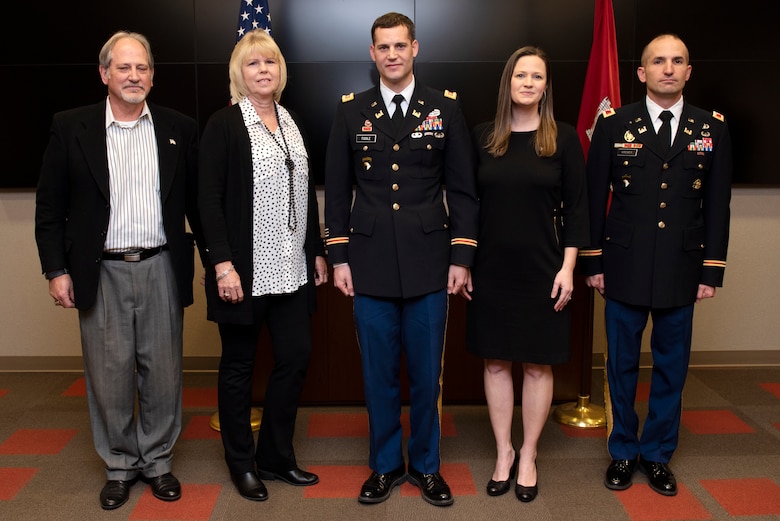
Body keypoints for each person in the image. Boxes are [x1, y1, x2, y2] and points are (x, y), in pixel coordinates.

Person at [34, 31, 200, 509]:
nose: (134, 76)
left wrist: (218, 262)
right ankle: (120, 465)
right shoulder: (71, 127)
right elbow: (51, 208)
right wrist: (55, 269)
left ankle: (158, 462)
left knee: (163, 372)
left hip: (161, 265)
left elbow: (195, 204)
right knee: (109, 374)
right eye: (124, 68)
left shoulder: (178, 128)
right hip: (100, 269)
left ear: (152, 75)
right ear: (105, 73)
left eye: (142, 68)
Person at [324, 12, 479, 507]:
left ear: (415, 48)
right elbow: (336, 191)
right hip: (368, 263)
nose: (391, 55)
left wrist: (462, 255)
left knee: (426, 371)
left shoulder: (445, 110)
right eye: (382, 47)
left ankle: (427, 467)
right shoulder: (351, 111)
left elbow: (463, 190)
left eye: (399, 45)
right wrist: (340, 256)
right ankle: (385, 466)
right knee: (379, 373)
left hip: (430, 261)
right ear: (372, 54)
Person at [580, 34, 732, 496]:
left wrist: (711, 270)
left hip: (681, 269)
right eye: (658, 61)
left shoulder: (712, 129)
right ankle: (624, 451)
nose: (669, 68)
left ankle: (658, 454)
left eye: (678, 61)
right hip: (622, 266)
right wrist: (593, 262)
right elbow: (592, 200)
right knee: (621, 365)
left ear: (689, 71)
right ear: (641, 73)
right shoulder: (613, 125)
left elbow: (718, 206)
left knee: (672, 368)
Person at [198, 29, 327, 502]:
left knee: (295, 359)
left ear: (281, 70)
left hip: (291, 270)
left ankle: (275, 456)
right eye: (253, 64)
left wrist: (316, 250)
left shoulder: (293, 122)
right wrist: (222, 265)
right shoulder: (225, 125)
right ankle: (240, 462)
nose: (263, 70)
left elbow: (307, 194)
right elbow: (209, 200)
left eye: (270, 62)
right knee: (239, 366)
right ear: (239, 73)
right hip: (244, 273)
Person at [466, 46, 589, 503]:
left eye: (537, 76)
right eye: (521, 74)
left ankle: (529, 455)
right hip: (491, 269)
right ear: (508, 81)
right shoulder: (482, 137)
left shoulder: (565, 139)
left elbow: (578, 210)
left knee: (537, 366)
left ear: (545, 86)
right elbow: (465, 204)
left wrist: (569, 268)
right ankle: (503, 452)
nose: (528, 82)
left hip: (544, 270)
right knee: (495, 361)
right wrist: (466, 262)